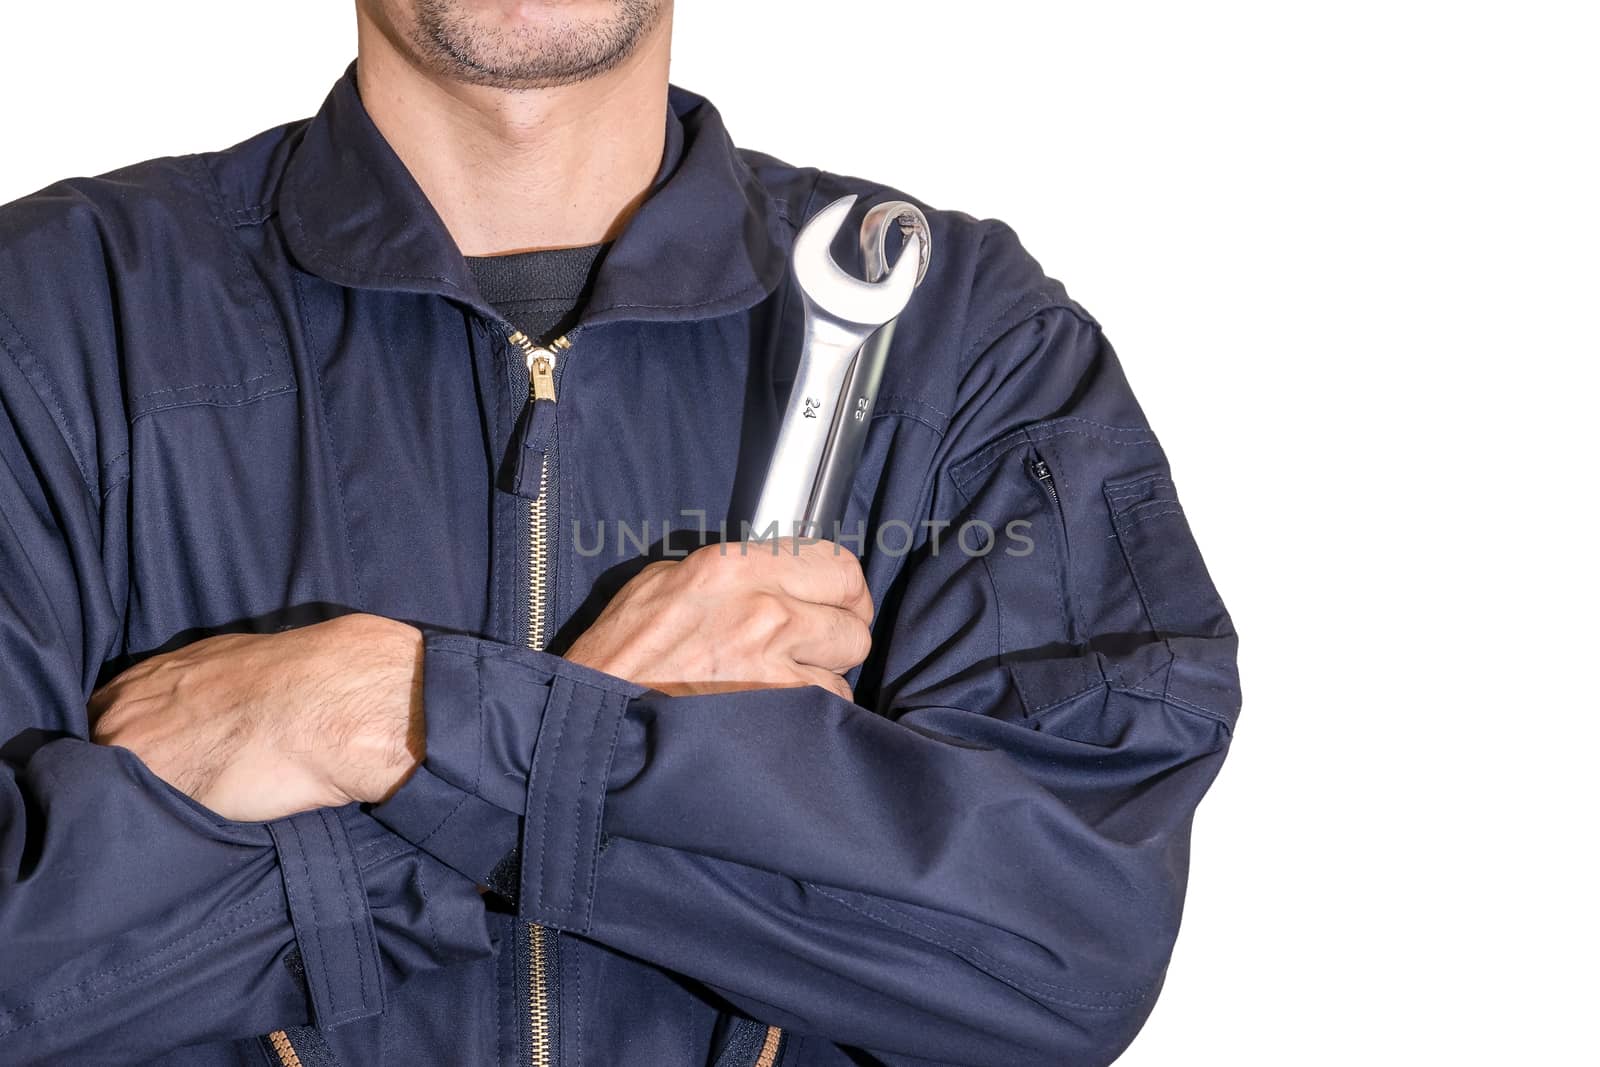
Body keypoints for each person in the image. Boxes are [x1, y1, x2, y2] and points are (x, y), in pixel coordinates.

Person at [0, 2, 1240, 1064]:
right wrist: (582, 743)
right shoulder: (50, 318)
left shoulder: (963, 341)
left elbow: (1058, 945)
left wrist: (390, 715)